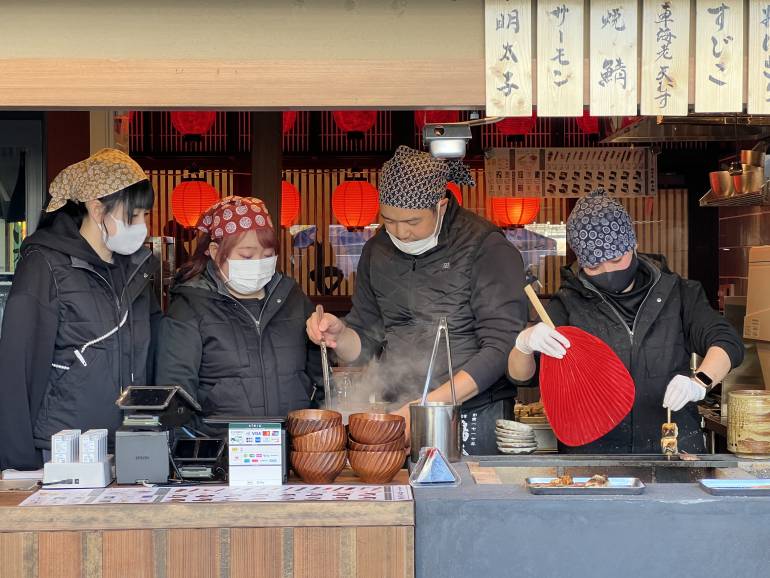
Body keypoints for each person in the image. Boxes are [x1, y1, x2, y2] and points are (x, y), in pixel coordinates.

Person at [306, 146, 528, 454]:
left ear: (440, 205)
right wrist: (339, 335)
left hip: (473, 409)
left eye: (412, 222)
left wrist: (429, 405)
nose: (401, 232)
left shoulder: (485, 246)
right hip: (400, 410)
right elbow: (366, 339)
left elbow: (502, 346)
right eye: (389, 220)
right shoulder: (377, 251)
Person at [508, 188, 744, 453]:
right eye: (594, 266)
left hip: (671, 454)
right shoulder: (568, 304)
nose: (608, 271)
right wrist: (524, 344)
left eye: (616, 259)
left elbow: (726, 341)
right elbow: (521, 377)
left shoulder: (678, 294)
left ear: (633, 245)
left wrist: (699, 381)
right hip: (592, 457)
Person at [0, 149, 159, 469]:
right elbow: (16, 368)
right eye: (134, 215)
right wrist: (18, 460)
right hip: (62, 451)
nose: (142, 225)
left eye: (145, 215)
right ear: (97, 208)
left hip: (130, 445)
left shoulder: (137, 272)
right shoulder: (44, 265)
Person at [155, 196, 322, 428]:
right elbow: (175, 401)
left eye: (267, 255)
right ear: (214, 251)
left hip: (295, 449)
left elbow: (321, 378)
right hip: (222, 454)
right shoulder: (189, 307)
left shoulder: (292, 298)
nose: (258, 263)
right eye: (246, 255)